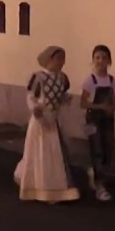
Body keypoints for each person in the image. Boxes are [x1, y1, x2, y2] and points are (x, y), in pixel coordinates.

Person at [16, 46, 80, 203]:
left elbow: (61, 94)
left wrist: (64, 99)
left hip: (54, 119)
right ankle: (37, 187)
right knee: (40, 153)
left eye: (63, 59)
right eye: (58, 58)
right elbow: (31, 96)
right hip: (41, 120)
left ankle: (57, 188)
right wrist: (35, 109)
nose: (61, 62)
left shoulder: (62, 78)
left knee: (55, 154)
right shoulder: (38, 77)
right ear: (49, 59)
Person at [80, 45, 115, 202]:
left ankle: (99, 175)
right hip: (93, 119)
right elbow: (83, 103)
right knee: (97, 149)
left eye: (103, 58)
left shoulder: (112, 81)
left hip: (108, 119)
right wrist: (100, 106)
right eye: (97, 57)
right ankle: (99, 185)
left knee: (108, 149)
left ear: (109, 61)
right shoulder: (90, 81)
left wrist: (112, 107)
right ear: (93, 60)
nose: (100, 61)